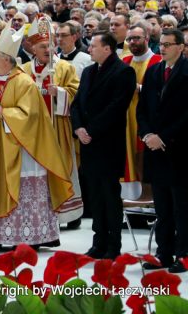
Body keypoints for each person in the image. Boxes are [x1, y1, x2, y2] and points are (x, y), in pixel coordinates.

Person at [0, 27, 73, 251]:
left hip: (22, 149)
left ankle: (29, 237)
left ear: (7, 60)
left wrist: (3, 114)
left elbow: (31, 116)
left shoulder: (24, 82)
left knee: (23, 188)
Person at [71, 31, 137, 259]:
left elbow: (117, 107)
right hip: (88, 142)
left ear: (107, 48)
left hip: (107, 142)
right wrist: (78, 128)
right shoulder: (89, 71)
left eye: (94, 46)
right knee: (95, 196)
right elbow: (77, 103)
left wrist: (90, 130)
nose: (89, 49)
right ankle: (98, 242)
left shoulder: (123, 71)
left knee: (109, 195)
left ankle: (113, 244)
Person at [22, 17, 84, 230]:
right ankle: (38, 215)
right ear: (33, 48)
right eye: (42, 46)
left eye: (51, 45)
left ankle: (68, 214)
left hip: (58, 129)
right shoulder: (23, 70)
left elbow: (77, 93)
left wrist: (59, 92)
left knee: (61, 169)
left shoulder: (65, 68)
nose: (48, 50)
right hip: (32, 133)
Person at [137, 29, 188, 273]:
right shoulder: (154, 71)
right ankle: (163, 253)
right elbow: (142, 109)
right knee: (162, 207)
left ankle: (184, 254)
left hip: (179, 149)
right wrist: (147, 134)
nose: (163, 48)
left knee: (182, 208)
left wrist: (163, 137)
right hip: (155, 150)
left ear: (181, 47)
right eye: (162, 44)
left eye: (168, 44)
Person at [120, 23, 162, 200]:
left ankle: (148, 196)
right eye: (129, 39)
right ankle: (131, 197)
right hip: (125, 118)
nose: (132, 42)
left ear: (147, 39)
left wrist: (140, 88)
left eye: (137, 38)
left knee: (143, 157)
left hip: (147, 118)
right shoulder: (124, 61)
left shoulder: (158, 61)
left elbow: (163, 90)